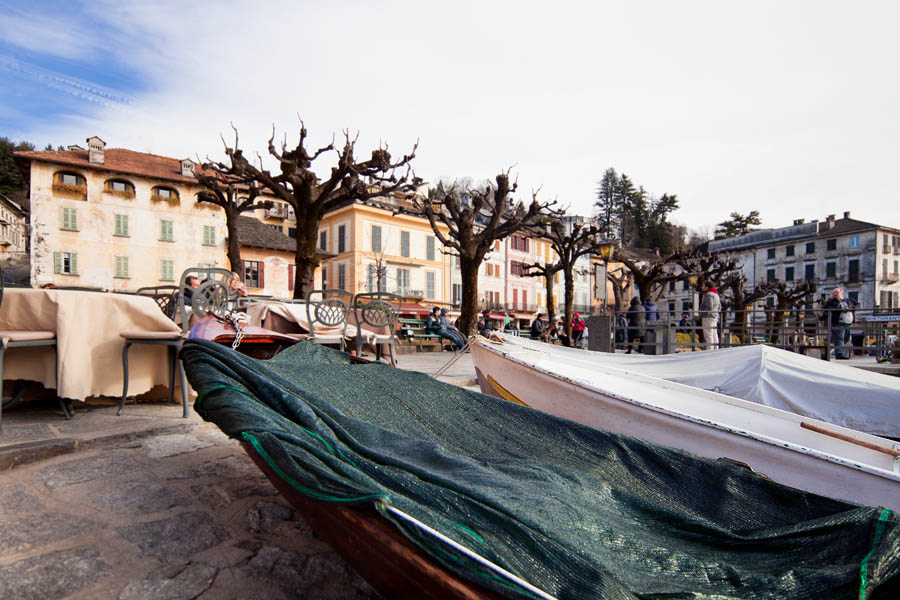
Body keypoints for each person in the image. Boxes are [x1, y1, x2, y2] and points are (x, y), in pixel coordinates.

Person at [820, 288, 851, 359]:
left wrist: (849, 308)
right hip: (837, 322)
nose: (835, 294)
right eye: (834, 293)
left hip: (847, 322)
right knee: (839, 339)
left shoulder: (846, 301)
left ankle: (842, 353)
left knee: (846, 338)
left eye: (837, 292)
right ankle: (840, 354)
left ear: (841, 293)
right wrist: (839, 308)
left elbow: (855, 305)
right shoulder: (830, 301)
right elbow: (826, 308)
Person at [699, 280, 721, 350]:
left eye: (703, 286)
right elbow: (719, 307)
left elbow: (709, 307)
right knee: (714, 334)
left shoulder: (708, 295)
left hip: (708, 317)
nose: (702, 287)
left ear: (707, 287)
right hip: (715, 316)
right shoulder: (716, 295)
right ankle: (715, 348)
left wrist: (702, 314)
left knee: (708, 334)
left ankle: (709, 350)